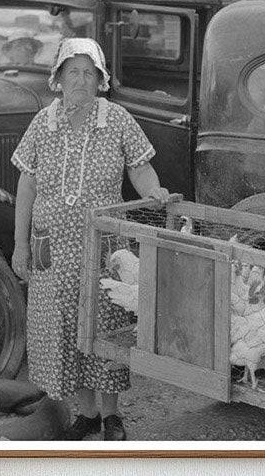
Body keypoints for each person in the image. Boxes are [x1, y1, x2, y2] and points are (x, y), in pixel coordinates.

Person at [11, 37, 169, 441]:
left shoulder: (116, 119)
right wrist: (20, 244)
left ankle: (112, 415)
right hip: (51, 247)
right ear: (59, 77)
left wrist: (153, 191)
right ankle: (85, 414)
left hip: (102, 246)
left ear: (100, 80)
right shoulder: (43, 123)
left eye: (89, 72)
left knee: (106, 325)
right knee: (65, 327)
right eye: (73, 71)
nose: (80, 79)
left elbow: (140, 168)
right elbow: (26, 186)